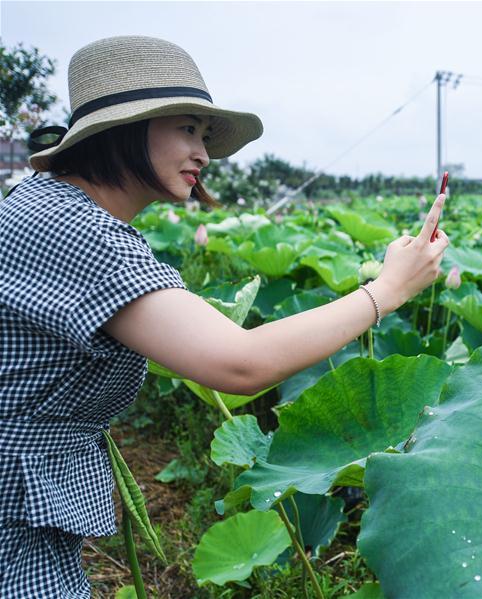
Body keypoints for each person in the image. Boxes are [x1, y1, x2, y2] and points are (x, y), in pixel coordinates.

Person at [0, 35, 449, 597]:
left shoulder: (45, 203)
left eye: (204, 135)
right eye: (188, 128)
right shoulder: (79, 231)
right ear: (122, 130)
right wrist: (388, 289)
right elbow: (239, 365)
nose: (204, 154)